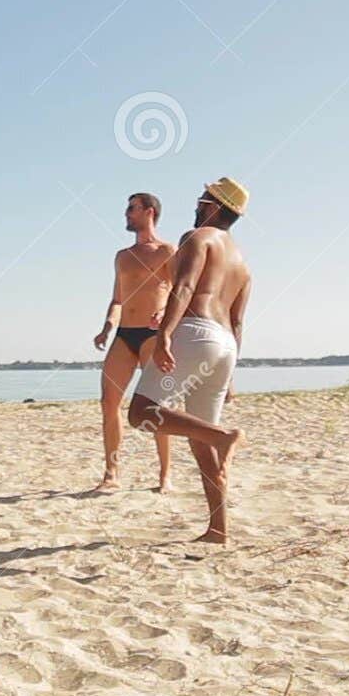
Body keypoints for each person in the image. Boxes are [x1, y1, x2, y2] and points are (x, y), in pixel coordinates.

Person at [127, 178, 251, 543]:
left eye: (201, 201)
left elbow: (182, 287)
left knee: (141, 413)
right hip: (225, 345)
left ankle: (225, 436)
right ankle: (218, 529)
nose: (196, 207)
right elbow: (239, 320)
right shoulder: (242, 264)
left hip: (195, 331)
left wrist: (164, 333)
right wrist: (229, 376)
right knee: (199, 441)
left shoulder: (197, 238)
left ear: (214, 207)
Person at [91, 193, 175, 492]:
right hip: (124, 335)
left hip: (153, 337)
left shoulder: (167, 251)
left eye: (131, 209)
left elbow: (179, 293)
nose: (126, 214)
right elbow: (117, 299)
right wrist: (106, 327)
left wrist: (164, 312)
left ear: (149, 212)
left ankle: (165, 475)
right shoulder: (122, 256)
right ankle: (111, 474)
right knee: (108, 403)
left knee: (156, 406)